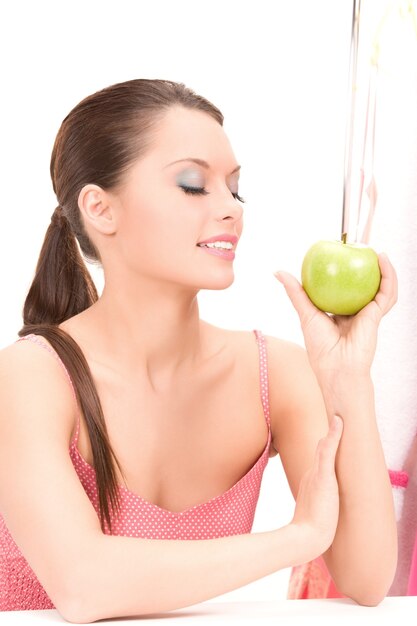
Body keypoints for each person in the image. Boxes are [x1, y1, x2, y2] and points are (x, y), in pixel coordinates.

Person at [0, 79, 398, 622]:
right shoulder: (32, 375)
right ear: (99, 208)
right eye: (192, 184)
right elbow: (83, 586)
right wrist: (297, 537)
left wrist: (349, 379)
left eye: (235, 188)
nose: (231, 209)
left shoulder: (276, 374)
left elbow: (368, 578)